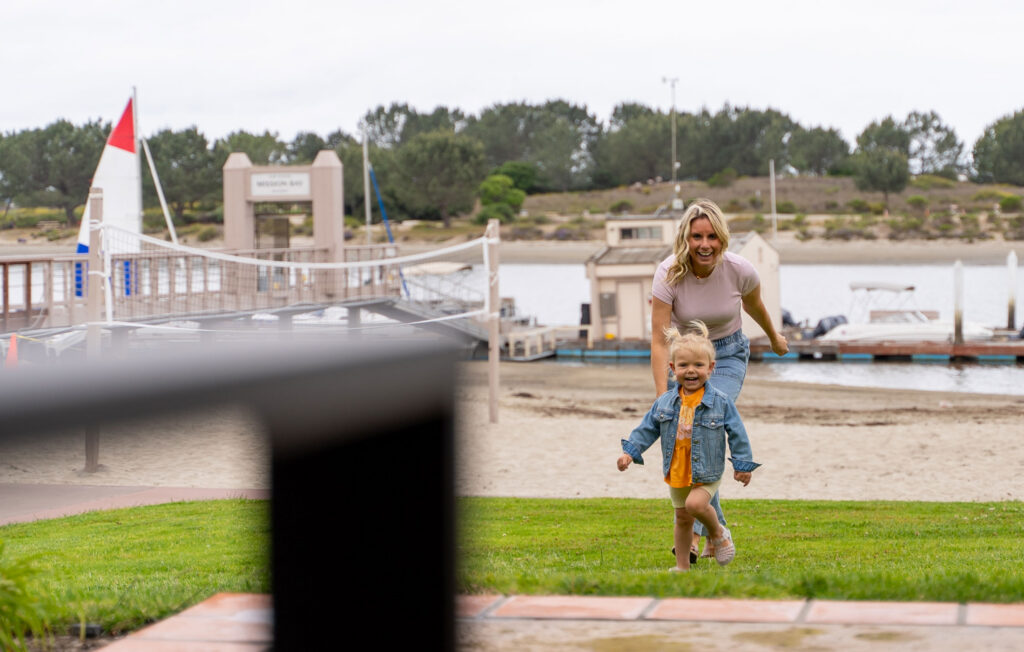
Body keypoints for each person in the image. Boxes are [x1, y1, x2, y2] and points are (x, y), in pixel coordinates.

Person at [650, 198, 787, 562]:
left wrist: (774, 339)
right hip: (686, 358)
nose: (704, 244)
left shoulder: (740, 269)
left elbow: (755, 307)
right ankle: (714, 533)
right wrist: (664, 396)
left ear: (722, 237)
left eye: (711, 236)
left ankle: (694, 538)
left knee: (706, 425)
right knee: (692, 436)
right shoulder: (668, 274)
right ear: (686, 238)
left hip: (726, 356)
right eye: (697, 236)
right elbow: (659, 340)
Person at [617, 321, 760, 572]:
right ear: (673, 368)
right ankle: (682, 567)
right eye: (683, 365)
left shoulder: (721, 402)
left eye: (698, 365)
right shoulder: (665, 402)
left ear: (711, 368)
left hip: (707, 469)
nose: (690, 371)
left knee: (695, 506)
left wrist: (742, 464)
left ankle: (718, 533)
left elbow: (737, 433)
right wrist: (630, 452)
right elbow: (647, 428)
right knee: (682, 518)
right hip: (677, 470)